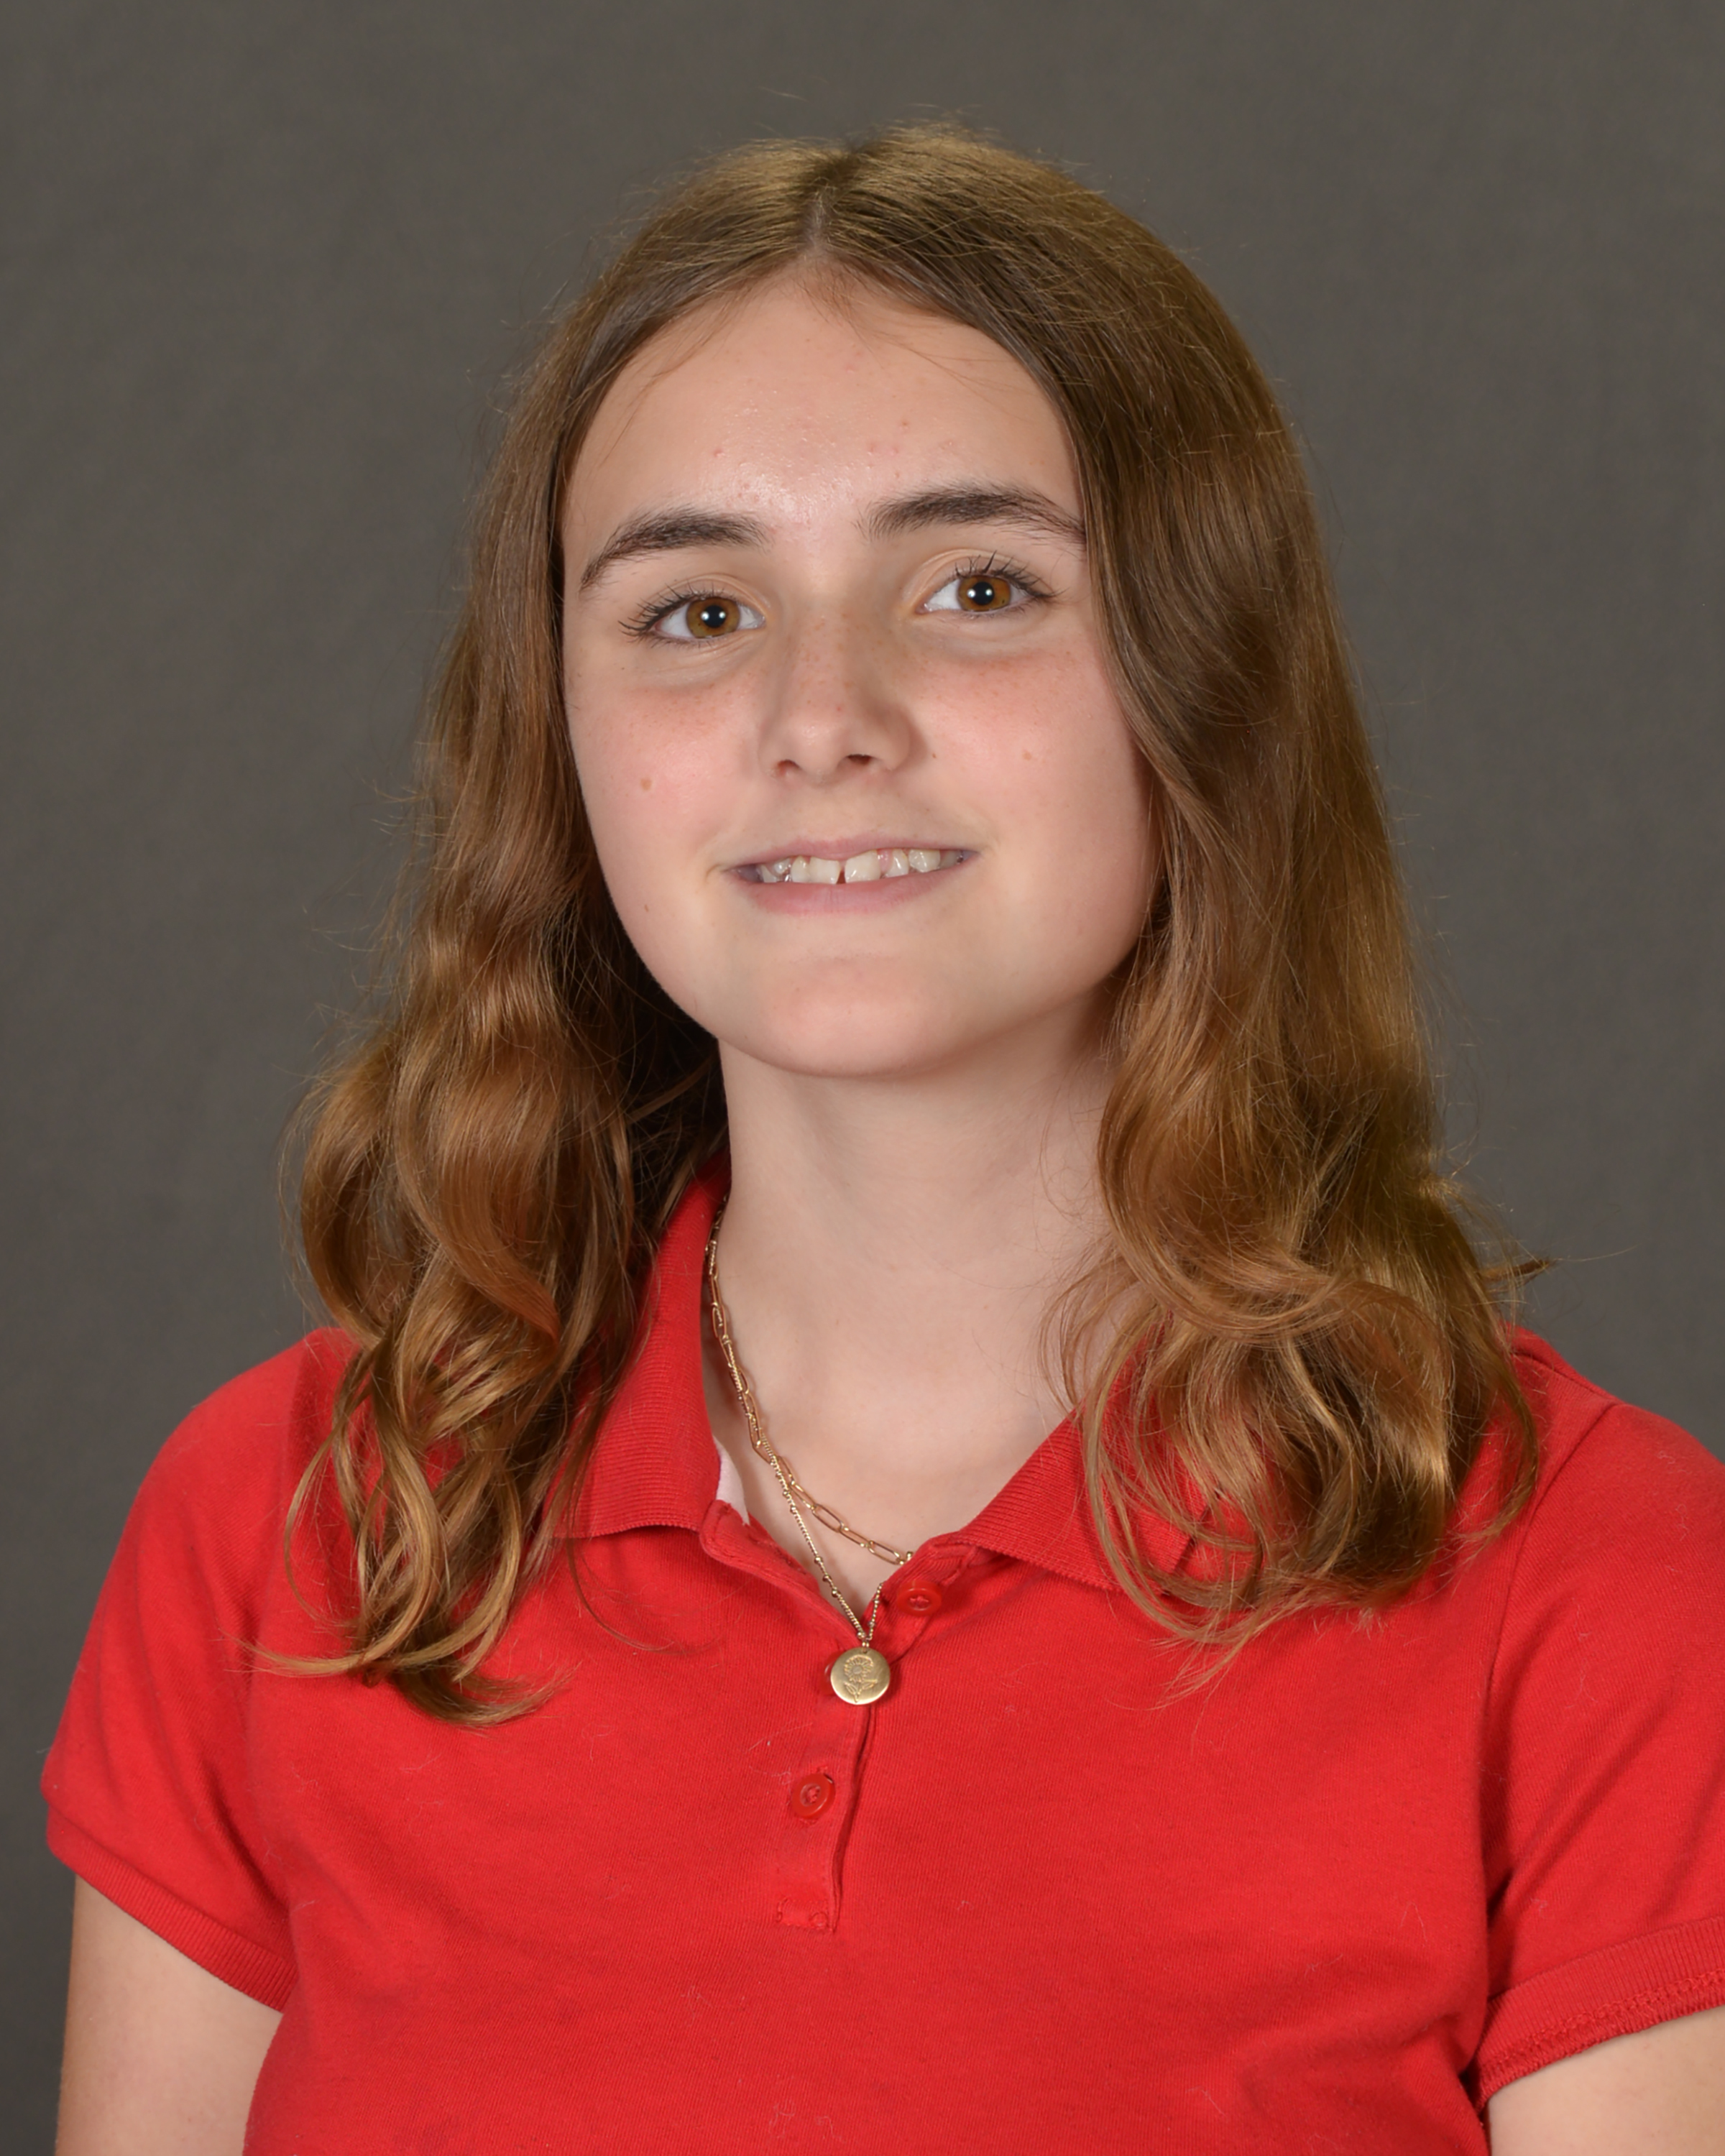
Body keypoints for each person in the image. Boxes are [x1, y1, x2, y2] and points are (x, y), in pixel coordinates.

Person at [46, 128, 1725, 2154]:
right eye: (695, 611)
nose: (821, 713)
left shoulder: (1605, 1590)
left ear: (1209, 678)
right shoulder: (293, 1521)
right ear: (560, 733)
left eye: (979, 587)